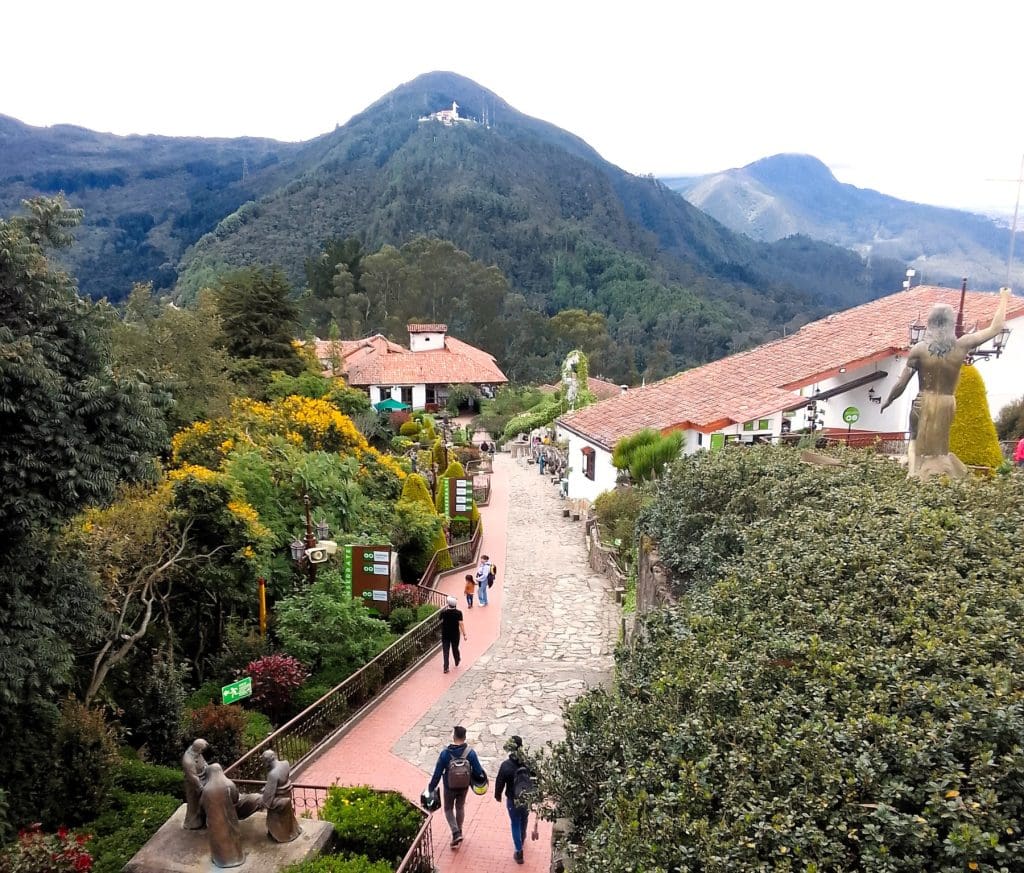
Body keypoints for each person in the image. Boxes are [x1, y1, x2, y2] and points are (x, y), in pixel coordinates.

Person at [882, 287, 1011, 480]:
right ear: (950, 324)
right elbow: (995, 328)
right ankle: (939, 471)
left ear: (930, 323)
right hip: (948, 403)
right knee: (940, 446)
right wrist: (1004, 298)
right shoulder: (962, 345)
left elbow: (901, 383)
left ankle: (913, 473)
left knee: (915, 439)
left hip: (923, 400)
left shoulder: (920, 349)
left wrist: (889, 400)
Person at [428, 725, 487, 848]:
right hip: (464, 786)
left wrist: (431, 787)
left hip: (449, 787)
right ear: (465, 737)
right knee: (460, 807)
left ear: (454, 737)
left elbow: (437, 773)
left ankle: (455, 833)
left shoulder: (445, 754)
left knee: (448, 809)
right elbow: (478, 771)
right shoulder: (470, 753)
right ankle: (459, 831)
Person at [494, 735, 535, 865]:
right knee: (525, 818)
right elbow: (535, 779)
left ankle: (518, 850)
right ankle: (522, 837)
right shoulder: (528, 762)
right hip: (526, 798)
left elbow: (499, 782)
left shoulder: (506, 766)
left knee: (515, 823)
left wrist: (498, 795)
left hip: (513, 799)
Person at [260, 750, 301, 843]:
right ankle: (292, 831)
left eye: (263, 762)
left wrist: (263, 802)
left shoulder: (273, 774)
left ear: (267, 762)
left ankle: (280, 834)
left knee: (272, 815)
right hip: (287, 794)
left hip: (279, 799)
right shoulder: (285, 763)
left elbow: (268, 796)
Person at [182, 738, 210, 829]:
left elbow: (204, 763)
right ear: (199, 749)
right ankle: (192, 823)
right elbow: (192, 776)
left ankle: (204, 818)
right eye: (202, 749)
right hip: (193, 784)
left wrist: (208, 769)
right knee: (194, 804)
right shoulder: (188, 760)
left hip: (202, 778)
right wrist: (200, 786)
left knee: (203, 802)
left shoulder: (197, 753)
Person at [440, 595, 466, 673]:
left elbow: (440, 619)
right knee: (455, 648)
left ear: (448, 604)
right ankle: (457, 660)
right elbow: (461, 623)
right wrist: (464, 634)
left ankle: (446, 667)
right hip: (455, 634)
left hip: (445, 634)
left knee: (445, 651)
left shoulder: (444, 612)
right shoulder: (458, 613)